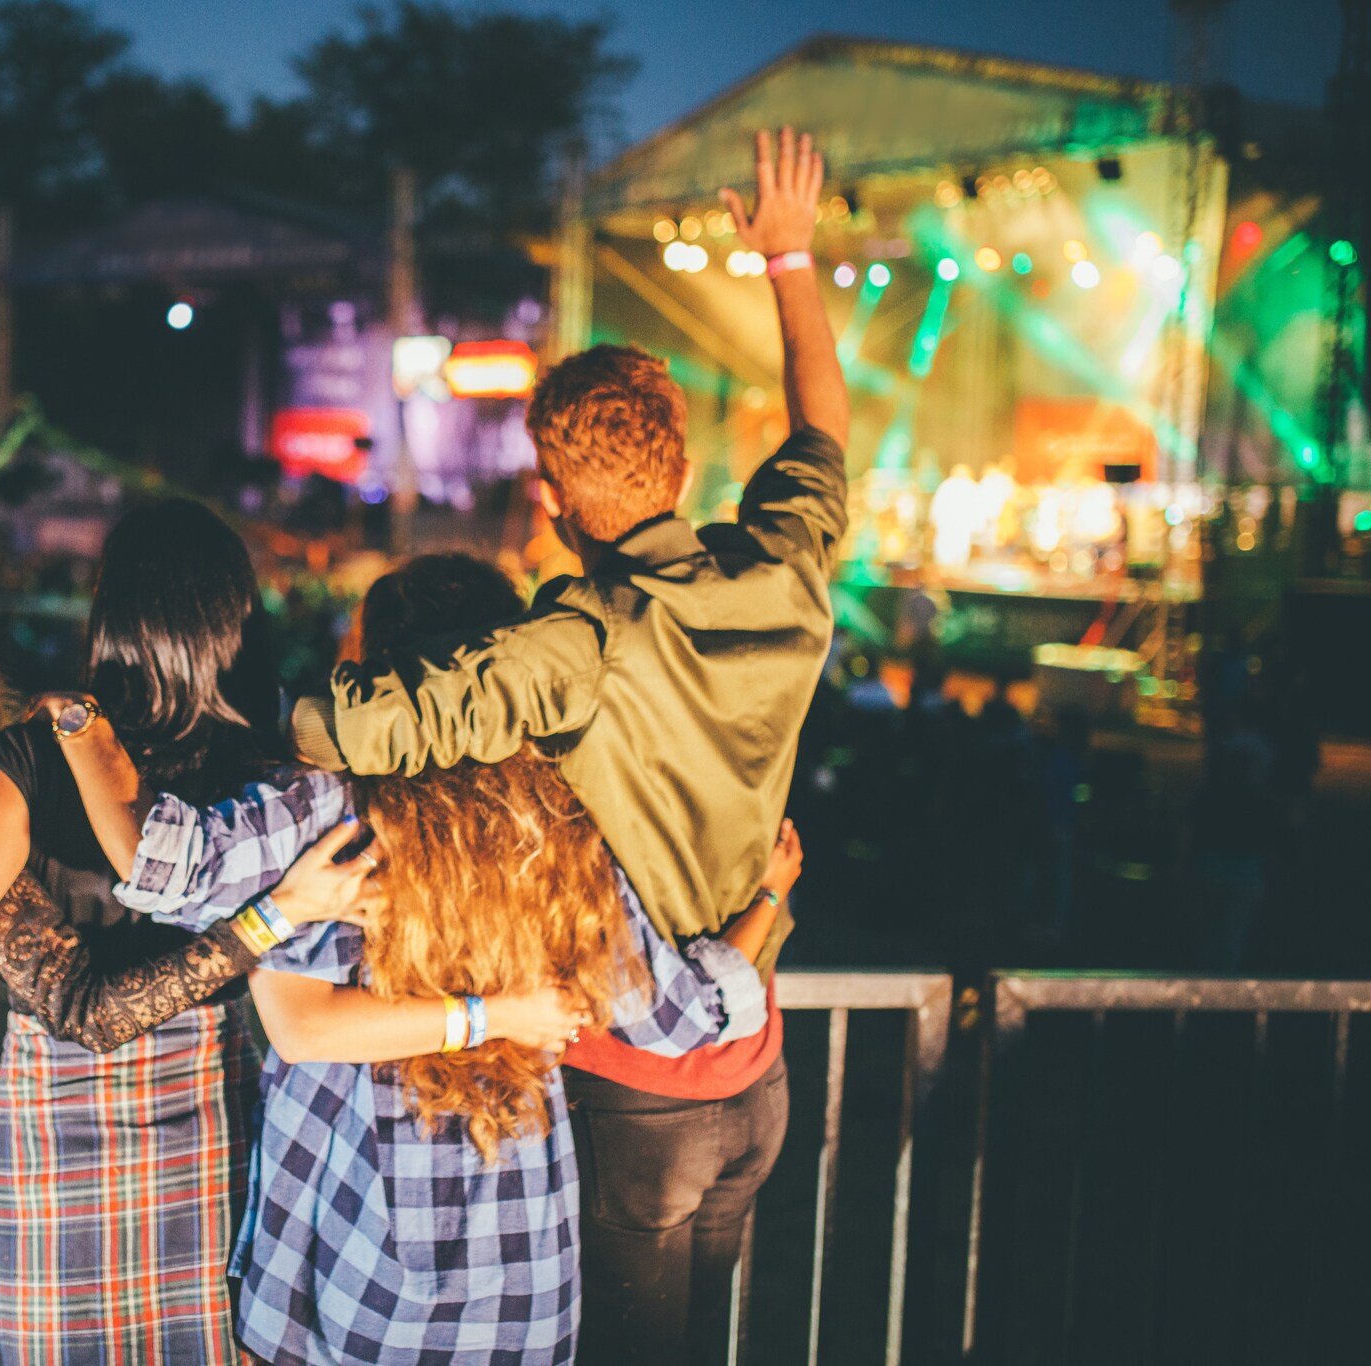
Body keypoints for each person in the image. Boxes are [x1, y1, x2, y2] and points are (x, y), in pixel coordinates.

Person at [287, 129, 850, 1361]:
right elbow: (822, 433)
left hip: (630, 1092)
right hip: (753, 1075)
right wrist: (789, 257)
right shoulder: (787, 575)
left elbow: (349, 724)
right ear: (684, 460)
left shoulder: (576, 639)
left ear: (548, 498)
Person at [50, 552, 796, 1363]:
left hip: (349, 1258)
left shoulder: (326, 803)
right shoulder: (562, 819)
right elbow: (683, 1017)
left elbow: (165, 864)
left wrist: (77, 720)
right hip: (518, 1266)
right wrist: (767, 901)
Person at [0, 497, 357, 1365]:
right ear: (239, 621)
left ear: (109, 618)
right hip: (221, 1123)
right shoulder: (283, 771)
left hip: (57, 1132)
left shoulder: (31, 762)